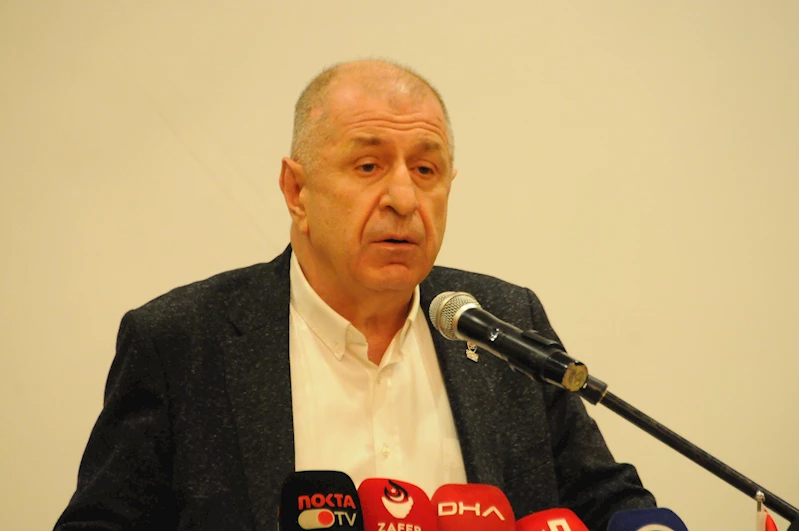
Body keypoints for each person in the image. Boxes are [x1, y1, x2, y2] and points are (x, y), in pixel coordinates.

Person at [55, 60, 655, 531]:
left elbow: (604, 499)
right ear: (296, 190)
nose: (404, 199)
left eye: (426, 171)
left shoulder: (504, 323)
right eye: (368, 166)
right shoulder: (181, 343)